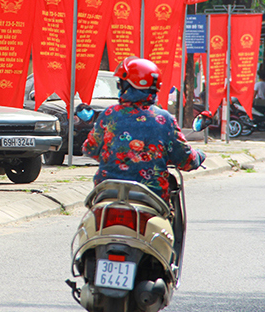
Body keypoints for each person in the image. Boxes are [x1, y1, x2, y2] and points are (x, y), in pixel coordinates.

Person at [82, 57, 206, 203]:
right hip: (152, 197)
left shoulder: (109, 114)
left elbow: (90, 148)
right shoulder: (164, 119)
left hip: (107, 193)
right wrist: (199, 156)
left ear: (125, 85)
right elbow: (186, 159)